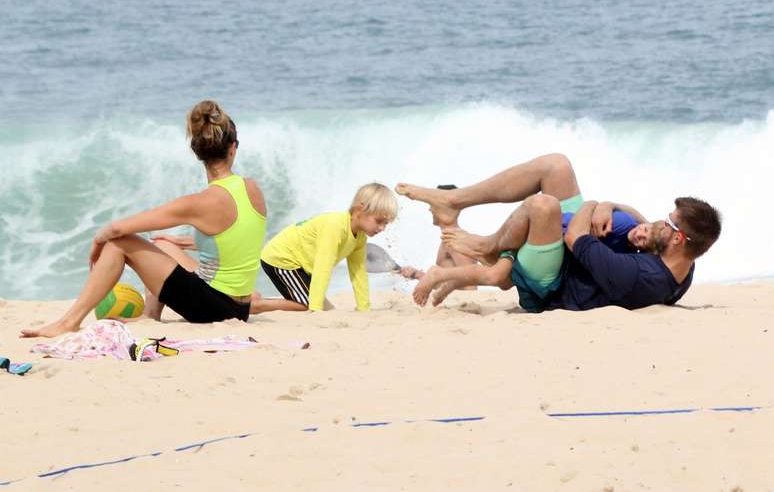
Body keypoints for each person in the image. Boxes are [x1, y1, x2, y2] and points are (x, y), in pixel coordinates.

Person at [20, 101, 267, 337]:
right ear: (233, 148)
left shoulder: (199, 203)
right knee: (162, 243)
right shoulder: (252, 188)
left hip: (211, 309)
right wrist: (181, 242)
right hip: (240, 309)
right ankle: (151, 315)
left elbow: (117, 229)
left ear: (196, 152)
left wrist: (98, 243)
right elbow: (236, 240)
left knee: (120, 243)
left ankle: (68, 322)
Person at [397, 153, 721, 311]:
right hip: (568, 259)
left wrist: (593, 203)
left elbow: (575, 237)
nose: (661, 222)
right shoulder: (681, 262)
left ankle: (489, 245)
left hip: (552, 284)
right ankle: (453, 200)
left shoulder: (637, 274)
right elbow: (641, 225)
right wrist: (609, 204)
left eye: (670, 222)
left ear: (678, 237)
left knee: (543, 206)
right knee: (557, 165)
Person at [251, 183, 398, 313]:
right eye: (379, 221)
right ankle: (256, 305)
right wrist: (315, 308)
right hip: (282, 259)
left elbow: (358, 271)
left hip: (301, 266)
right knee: (307, 305)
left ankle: (257, 298)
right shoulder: (335, 226)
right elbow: (323, 266)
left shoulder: (360, 236)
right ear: (360, 209)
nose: (382, 228)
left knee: (329, 310)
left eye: (386, 224)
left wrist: (363, 307)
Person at [396, 184, 478, 289]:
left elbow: (470, 287)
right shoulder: (449, 238)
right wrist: (416, 274)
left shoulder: (455, 240)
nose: (430, 209)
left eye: (433, 203)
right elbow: (445, 285)